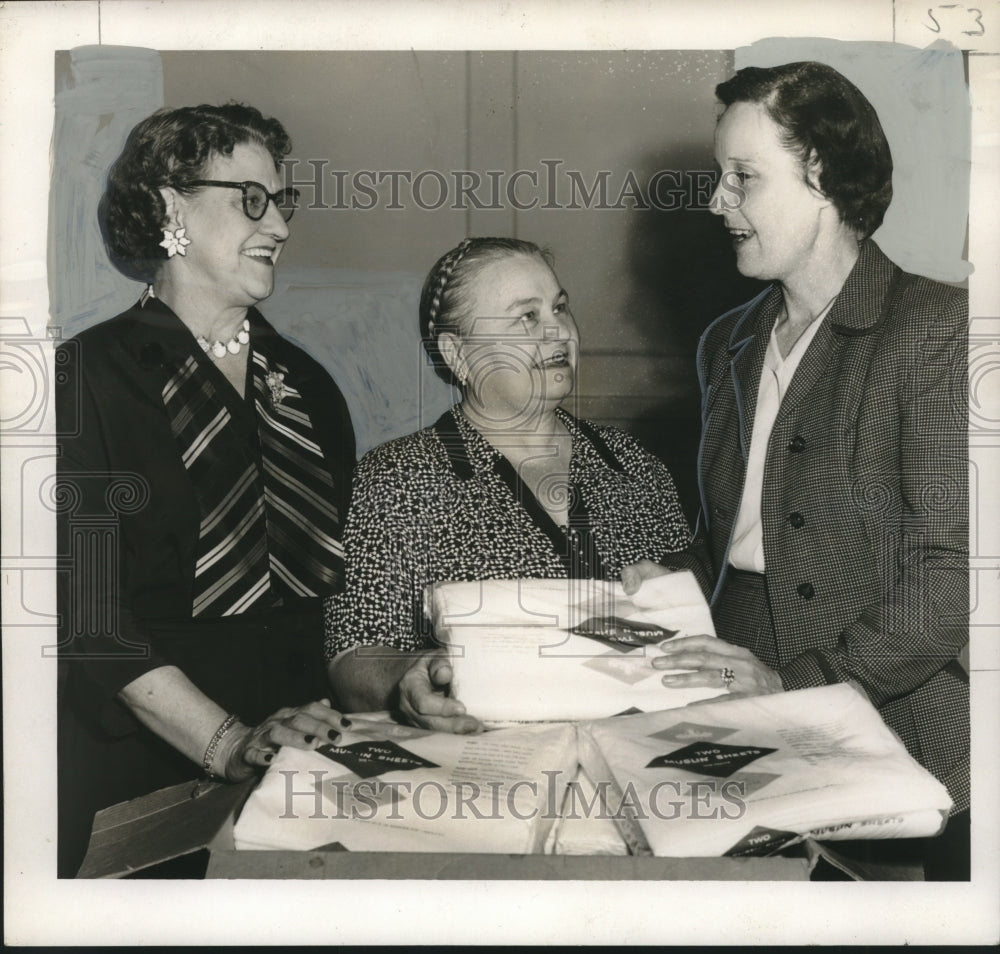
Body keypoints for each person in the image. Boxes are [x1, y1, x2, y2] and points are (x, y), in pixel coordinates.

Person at [623, 62, 969, 878]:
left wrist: (796, 681)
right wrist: (666, 582)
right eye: (719, 176)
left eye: (742, 177)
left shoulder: (935, 331)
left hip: (893, 718)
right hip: (740, 709)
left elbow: (955, 578)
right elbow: (740, 536)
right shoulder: (728, 341)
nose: (716, 202)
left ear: (822, 176)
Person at [56, 104, 355, 877]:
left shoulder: (308, 386)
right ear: (169, 209)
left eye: (281, 200)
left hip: (301, 768)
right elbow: (92, 617)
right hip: (147, 777)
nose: (281, 225)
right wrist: (228, 742)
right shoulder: (86, 380)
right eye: (250, 198)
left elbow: (330, 599)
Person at [324, 237, 692, 732]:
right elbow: (352, 657)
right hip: (486, 775)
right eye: (527, 317)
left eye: (560, 307)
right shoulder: (397, 478)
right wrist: (408, 678)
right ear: (458, 353)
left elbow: (697, 626)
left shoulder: (636, 468)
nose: (558, 331)